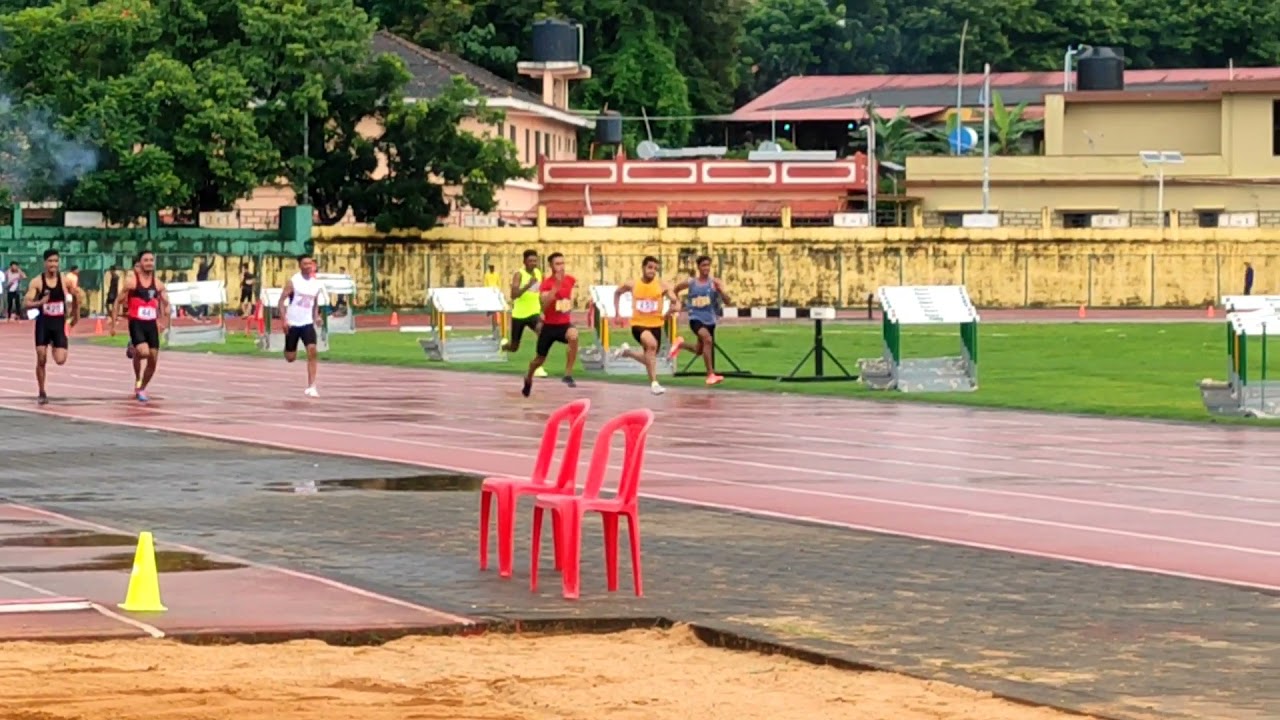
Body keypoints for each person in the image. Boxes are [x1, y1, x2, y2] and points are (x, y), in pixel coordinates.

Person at [613, 255, 681, 396]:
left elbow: (675, 300)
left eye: (655, 269)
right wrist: (617, 313)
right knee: (651, 345)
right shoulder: (633, 284)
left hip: (656, 325)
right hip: (638, 325)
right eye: (650, 267)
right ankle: (654, 384)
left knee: (649, 358)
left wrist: (672, 309)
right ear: (643, 268)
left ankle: (627, 352)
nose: (652, 271)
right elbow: (617, 293)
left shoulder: (662, 285)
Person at [25, 249, 81, 404]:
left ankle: (54, 342)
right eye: (50, 261)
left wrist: (76, 314)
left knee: (60, 360)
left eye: (56, 261)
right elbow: (26, 303)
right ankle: (42, 391)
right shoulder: (37, 282)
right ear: (44, 263)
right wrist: (39, 303)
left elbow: (77, 295)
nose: (53, 264)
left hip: (58, 324)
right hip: (43, 323)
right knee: (41, 358)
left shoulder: (65, 281)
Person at [112, 250, 169, 403]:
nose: (149, 262)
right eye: (146, 260)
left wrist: (166, 307)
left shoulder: (158, 283)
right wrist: (114, 322)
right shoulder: (132, 282)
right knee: (143, 353)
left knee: (153, 359)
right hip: (136, 322)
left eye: (151, 259)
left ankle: (141, 388)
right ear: (140, 263)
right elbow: (118, 301)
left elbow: (165, 300)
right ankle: (135, 348)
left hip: (151, 324)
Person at [521, 252, 579, 397]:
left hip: (564, 325)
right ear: (551, 266)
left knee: (574, 336)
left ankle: (568, 374)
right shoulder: (546, 283)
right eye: (557, 264)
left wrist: (566, 304)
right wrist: (556, 287)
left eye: (563, 263)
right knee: (539, 360)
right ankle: (528, 376)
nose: (561, 267)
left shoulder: (571, 280)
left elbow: (568, 297)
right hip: (549, 326)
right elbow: (544, 306)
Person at [672, 254, 731, 385]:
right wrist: (675, 302)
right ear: (698, 267)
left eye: (708, 265)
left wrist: (721, 291)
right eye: (703, 265)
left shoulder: (715, 282)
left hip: (710, 319)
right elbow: (675, 289)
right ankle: (710, 374)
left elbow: (728, 301)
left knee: (699, 350)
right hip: (695, 318)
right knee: (708, 340)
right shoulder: (691, 282)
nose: (706, 268)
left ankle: (680, 344)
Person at [278, 253, 326, 397]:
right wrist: (284, 320)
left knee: (312, 351)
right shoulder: (294, 281)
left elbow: (315, 303)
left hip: (307, 324)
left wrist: (316, 316)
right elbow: (281, 301)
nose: (308, 266)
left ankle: (312, 386)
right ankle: (289, 348)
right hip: (293, 323)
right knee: (290, 357)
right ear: (300, 266)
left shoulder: (316, 284)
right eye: (305, 264)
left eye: (310, 264)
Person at [506, 249, 547, 378]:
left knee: (543, 335)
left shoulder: (539, 274)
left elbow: (541, 293)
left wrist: (543, 310)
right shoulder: (519, 275)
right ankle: (503, 346)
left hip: (534, 313)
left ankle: (537, 366)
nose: (533, 263)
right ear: (524, 261)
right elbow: (513, 295)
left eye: (535, 260)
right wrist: (527, 286)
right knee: (514, 347)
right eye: (530, 261)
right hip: (519, 314)